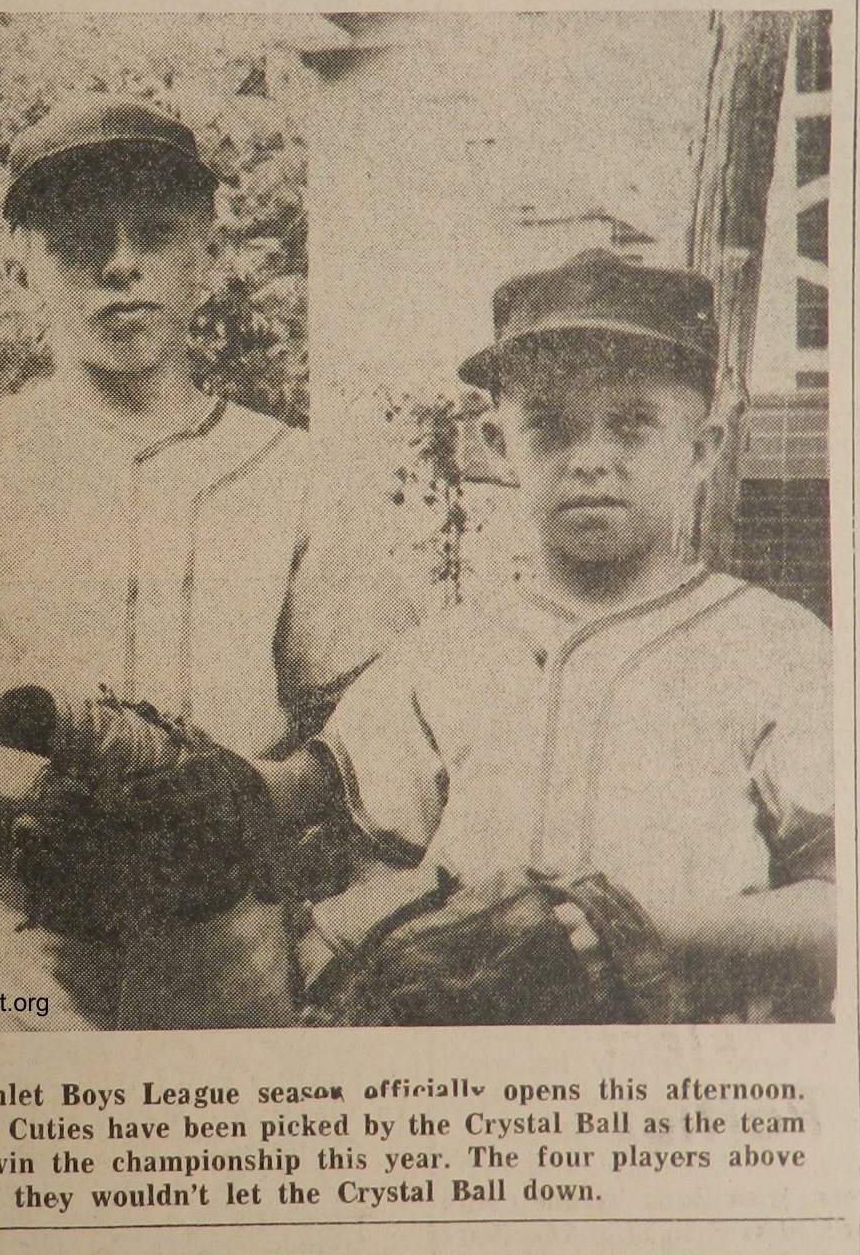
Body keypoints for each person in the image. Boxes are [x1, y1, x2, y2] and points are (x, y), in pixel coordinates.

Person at [0, 96, 414, 1031]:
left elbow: (365, 726)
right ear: (21, 256)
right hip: (21, 935)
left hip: (226, 933)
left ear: (205, 253)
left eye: (154, 232)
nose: (121, 263)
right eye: (79, 240)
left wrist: (252, 791)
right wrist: (34, 792)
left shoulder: (293, 469)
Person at [260, 249, 835, 1022]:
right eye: (551, 426)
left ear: (699, 449)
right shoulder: (437, 657)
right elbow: (366, 873)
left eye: (632, 425)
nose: (590, 460)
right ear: (498, 446)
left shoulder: (780, 647)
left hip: (693, 1069)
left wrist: (661, 924)